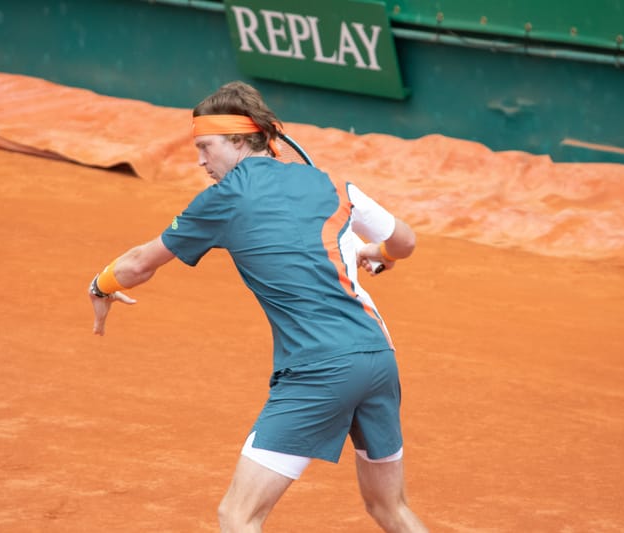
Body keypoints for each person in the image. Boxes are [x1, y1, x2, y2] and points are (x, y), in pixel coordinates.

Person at [88, 81, 428, 533]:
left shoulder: (223, 199)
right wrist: (378, 255)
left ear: (239, 140)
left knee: (238, 516)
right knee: (390, 509)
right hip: (378, 359)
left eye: (206, 147)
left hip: (319, 368)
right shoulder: (330, 183)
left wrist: (100, 285)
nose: (200, 161)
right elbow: (404, 241)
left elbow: (138, 264)